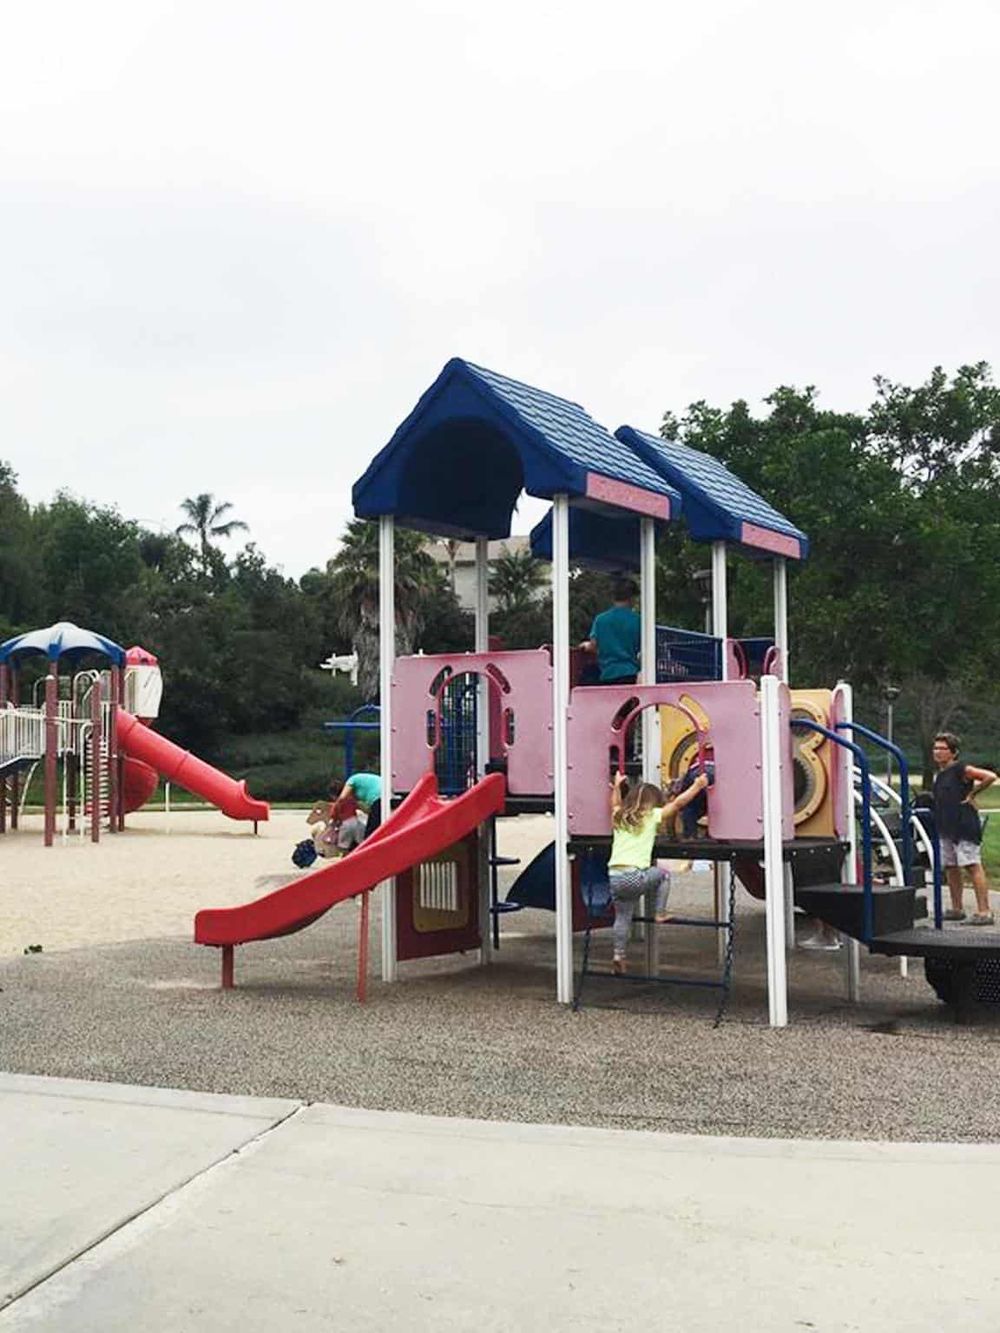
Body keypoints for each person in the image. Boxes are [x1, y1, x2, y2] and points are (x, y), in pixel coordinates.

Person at [608, 770, 709, 973]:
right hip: (634, 875)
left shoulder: (619, 817)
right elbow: (678, 804)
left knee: (623, 917)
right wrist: (697, 786)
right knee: (663, 875)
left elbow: (615, 804)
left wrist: (617, 786)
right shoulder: (650, 816)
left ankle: (618, 954)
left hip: (615, 877)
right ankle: (660, 913)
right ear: (652, 803)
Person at [932, 733, 997, 924]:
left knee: (971, 864)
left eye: (942, 749)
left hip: (964, 825)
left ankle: (984, 912)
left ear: (953, 752)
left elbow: (990, 777)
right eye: (935, 748)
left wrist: (972, 794)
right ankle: (956, 908)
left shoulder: (961, 769)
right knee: (951, 867)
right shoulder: (940, 774)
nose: (937, 752)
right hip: (946, 826)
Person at [579, 578, 641, 685]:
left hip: (607, 673)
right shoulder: (638, 621)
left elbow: (594, 646)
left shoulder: (601, 620)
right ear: (632, 598)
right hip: (630, 673)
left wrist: (585, 645)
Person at [332, 771, 382, 841]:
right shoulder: (359, 790)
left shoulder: (351, 781)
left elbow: (341, 798)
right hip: (385, 795)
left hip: (379, 796)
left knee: (371, 833)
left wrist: (334, 815)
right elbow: (366, 809)